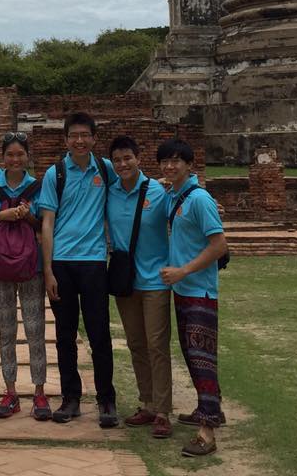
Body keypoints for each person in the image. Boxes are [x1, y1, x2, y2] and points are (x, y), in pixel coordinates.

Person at [38, 111, 118, 428]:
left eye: (85, 135)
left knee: (99, 333)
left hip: (95, 261)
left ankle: (106, 399)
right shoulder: (56, 173)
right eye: (74, 136)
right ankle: (71, 398)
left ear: (94, 139)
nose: (80, 141)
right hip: (62, 262)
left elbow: (129, 190)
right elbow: (47, 222)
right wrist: (47, 270)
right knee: (64, 335)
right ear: (66, 139)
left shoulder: (105, 169)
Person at [158, 139, 228, 458]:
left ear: (189, 164)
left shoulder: (199, 199)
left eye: (176, 161)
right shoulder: (176, 194)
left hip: (199, 289)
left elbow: (219, 245)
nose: (170, 166)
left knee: (203, 359)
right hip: (184, 291)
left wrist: (184, 271)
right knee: (192, 355)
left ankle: (208, 431)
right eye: (165, 161)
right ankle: (207, 408)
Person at [0, 131, 50, 421]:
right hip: (0, 269)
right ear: (3, 158)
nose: (15, 159)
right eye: (10, 155)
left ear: (27, 157)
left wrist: (26, 216)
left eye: (20, 154)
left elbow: (44, 224)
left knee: (35, 331)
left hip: (31, 268)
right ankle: (10, 392)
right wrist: (3, 217)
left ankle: (40, 392)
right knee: (6, 332)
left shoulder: (38, 187)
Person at [106, 136, 174, 438]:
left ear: (138, 158)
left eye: (128, 158)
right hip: (126, 280)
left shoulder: (159, 192)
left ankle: (162, 410)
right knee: (136, 344)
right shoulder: (109, 193)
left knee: (157, 345)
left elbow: (183, 209)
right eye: (117, 160)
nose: (123, 164)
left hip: (155, 280)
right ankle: (147, 402)